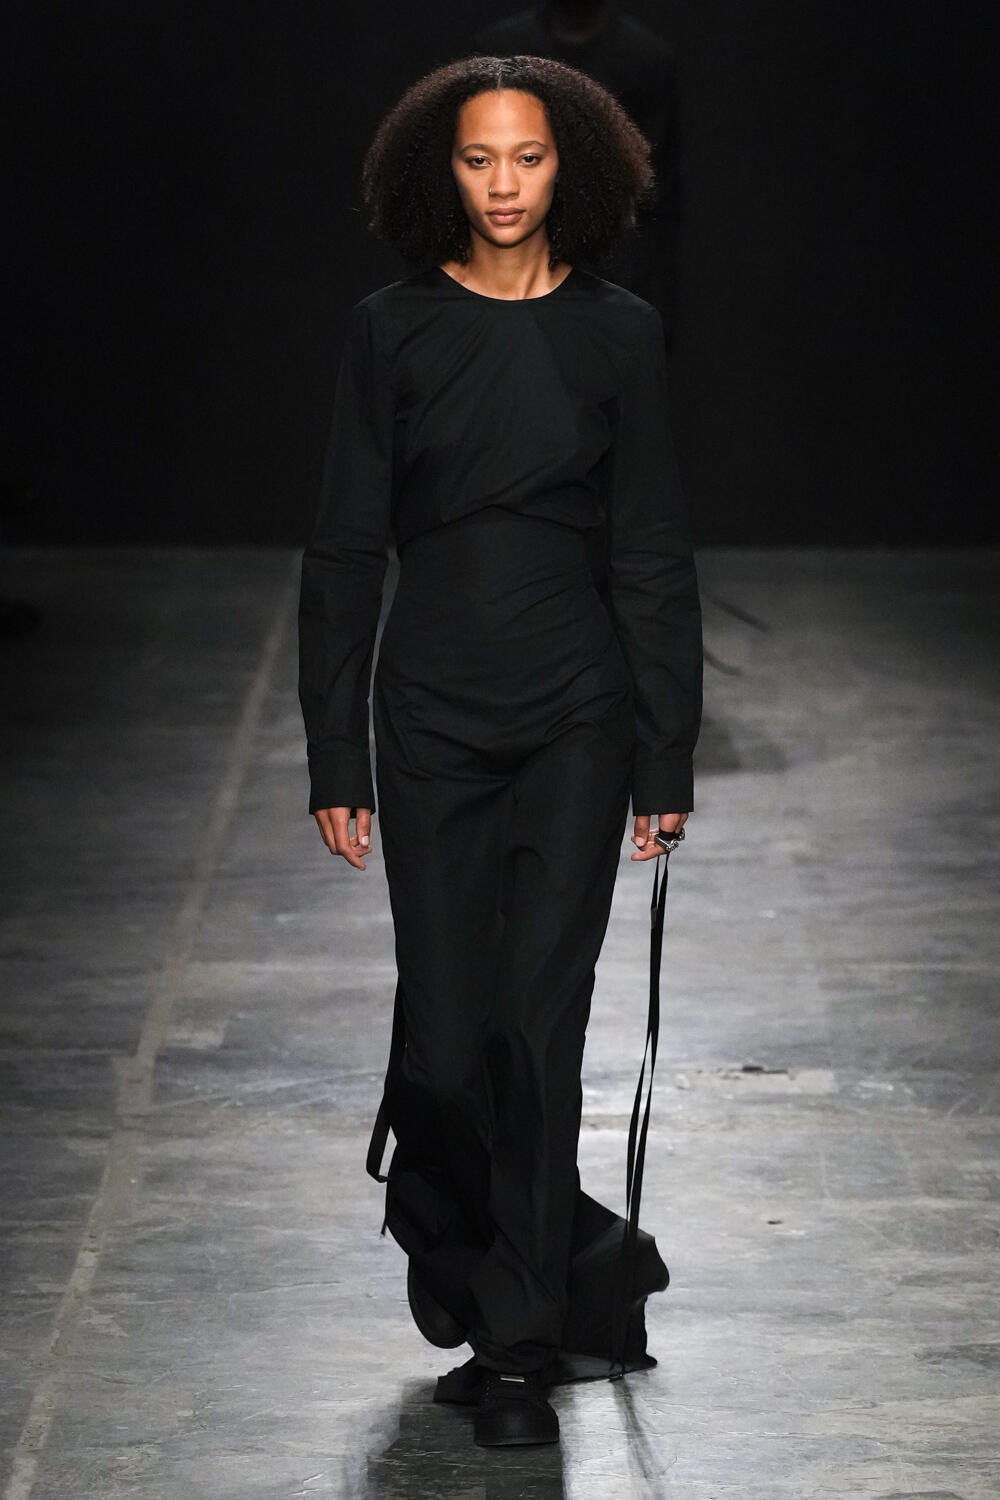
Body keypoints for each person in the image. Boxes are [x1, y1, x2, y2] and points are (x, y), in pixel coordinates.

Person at [298, 54, 702, 1449]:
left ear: (569, 165)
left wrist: (663, 757)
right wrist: (334, 756)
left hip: (576, 715)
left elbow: (651, 552)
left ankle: (520, 1339)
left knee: (540, 1027)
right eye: (480, 159)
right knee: (447, 1040)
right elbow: (345, 551)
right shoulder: (392, 332)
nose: (505, 184)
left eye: (528, 157)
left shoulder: (619, 334)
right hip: (429, 718)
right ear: (443, 172)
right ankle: (471, 1244)